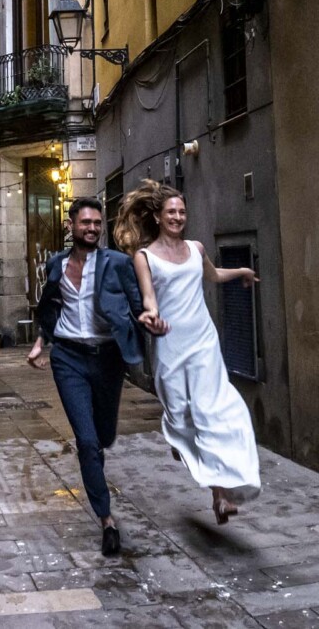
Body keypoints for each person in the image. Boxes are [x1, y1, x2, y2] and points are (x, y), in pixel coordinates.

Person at [113, 180, 261, 524]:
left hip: (203, 342)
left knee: (213, 413)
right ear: (158, 216)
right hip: (171, 344)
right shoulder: (144, 257)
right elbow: (149, 298)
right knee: (181, 415)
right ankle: (177, 434)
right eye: (171, 212)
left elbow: (212, 275)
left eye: (182, 211)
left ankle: (220, 496)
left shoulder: (196, 248)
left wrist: (240, 271)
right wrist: (150, 316)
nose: (178, 217)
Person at [27, 197, 169, 556]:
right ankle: (107, 520)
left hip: (108, 360)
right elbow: (50, 305)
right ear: (71, 225)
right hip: (69, 359)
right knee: (87, 442)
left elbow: (138, 305)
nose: (91, 228)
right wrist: (41, 342)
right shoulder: (57, 263)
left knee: (103, 436)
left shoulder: (118, 263)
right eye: (85, 222)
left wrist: (149, 320)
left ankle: (96, 459)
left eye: (96, 223)